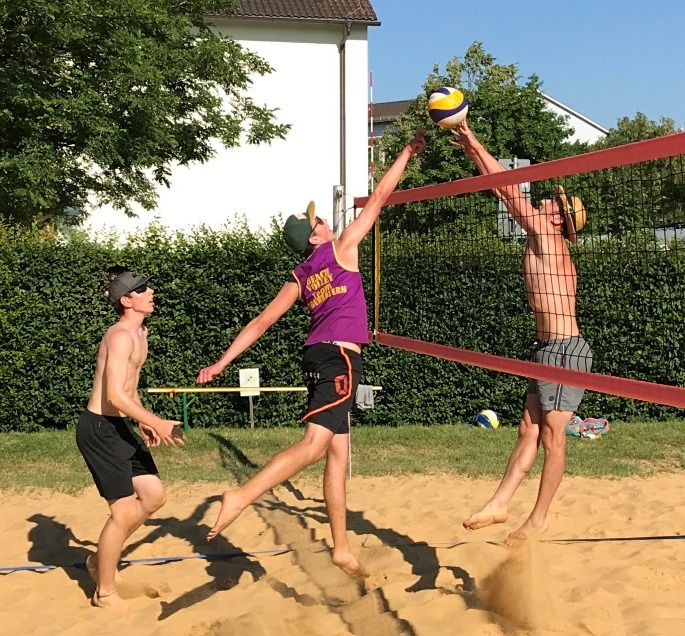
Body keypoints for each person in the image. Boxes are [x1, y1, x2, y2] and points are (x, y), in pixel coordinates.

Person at [196, 129, 426, 575]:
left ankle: (340, 548)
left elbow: (261, 322)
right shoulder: (342, 249)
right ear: (315, 236)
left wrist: (222, 362)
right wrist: (407, 151)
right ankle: (241, 496)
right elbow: (380, 197)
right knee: (314, 445)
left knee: (337, 456)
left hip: (316, 357)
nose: (323, 221)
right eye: (318, 221)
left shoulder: (300, 276)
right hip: (339, 359)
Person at [451, 119, 593, 544]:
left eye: (552, 202)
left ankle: (539, 519)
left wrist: (473, 138)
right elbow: (502, 190)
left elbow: (510, 191)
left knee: (552, 437)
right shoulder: (539, 237)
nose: (546, 200)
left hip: (567, 351)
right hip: (547, 348)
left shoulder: (548, 237)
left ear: (559, 219)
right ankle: (500, 504)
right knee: (527, 430)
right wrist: (471, 150)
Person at [76, 269, 185, 610]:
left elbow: (129, 388)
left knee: (153, 496)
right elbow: (113, 395)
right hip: (99, 429)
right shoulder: (120, 336)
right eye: (142, 289)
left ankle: (100, 560)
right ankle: (104, 592)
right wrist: (157, 422)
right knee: (123, 512)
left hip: (120, 424)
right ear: (126, 300)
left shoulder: (141, 333)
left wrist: (142, 421)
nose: (151, 292)